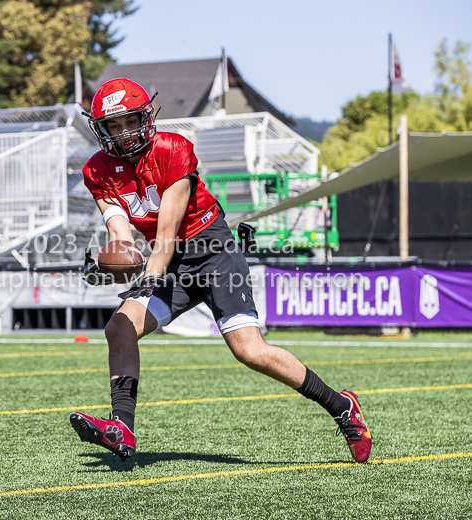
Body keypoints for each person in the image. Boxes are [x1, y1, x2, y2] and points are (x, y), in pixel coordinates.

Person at [69, 78, 372, 463]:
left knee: (249, 350)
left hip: (213, 252)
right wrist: (112, 263)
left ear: (146, 117)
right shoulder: (98, 170)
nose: (124, 133)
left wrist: (146, 279)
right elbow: (121, 236)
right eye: (114, 126)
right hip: (174, 264)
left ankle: (342, 406)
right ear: (102, 130)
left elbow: (166, 233)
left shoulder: (173, 149)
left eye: (130, 121)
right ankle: (122, 427)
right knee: (119, 327)